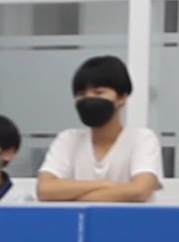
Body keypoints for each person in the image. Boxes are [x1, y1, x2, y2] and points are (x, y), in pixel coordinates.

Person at [36, 56, 162, 203]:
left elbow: (139, 191)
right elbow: (45, 189)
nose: (88, 99)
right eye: (81, 94)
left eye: (99, 92)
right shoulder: (68, 139)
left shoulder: (142, 139)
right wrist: (105, 184)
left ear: (122, 98)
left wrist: (70, 196)